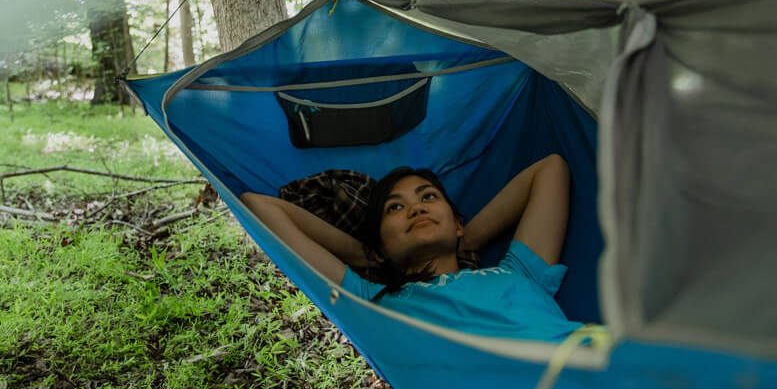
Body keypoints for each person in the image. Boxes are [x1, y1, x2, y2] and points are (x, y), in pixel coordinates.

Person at [240, 154, 584, 342]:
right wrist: (367, 255)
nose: (417, 209)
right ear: (379, 247)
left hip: (599, 363)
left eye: (428, 197)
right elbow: (259, 206)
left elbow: (550, 168)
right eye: (395, 207)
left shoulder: (518, 272)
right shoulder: (374, 302)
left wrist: (463, 238)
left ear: (458, 221)